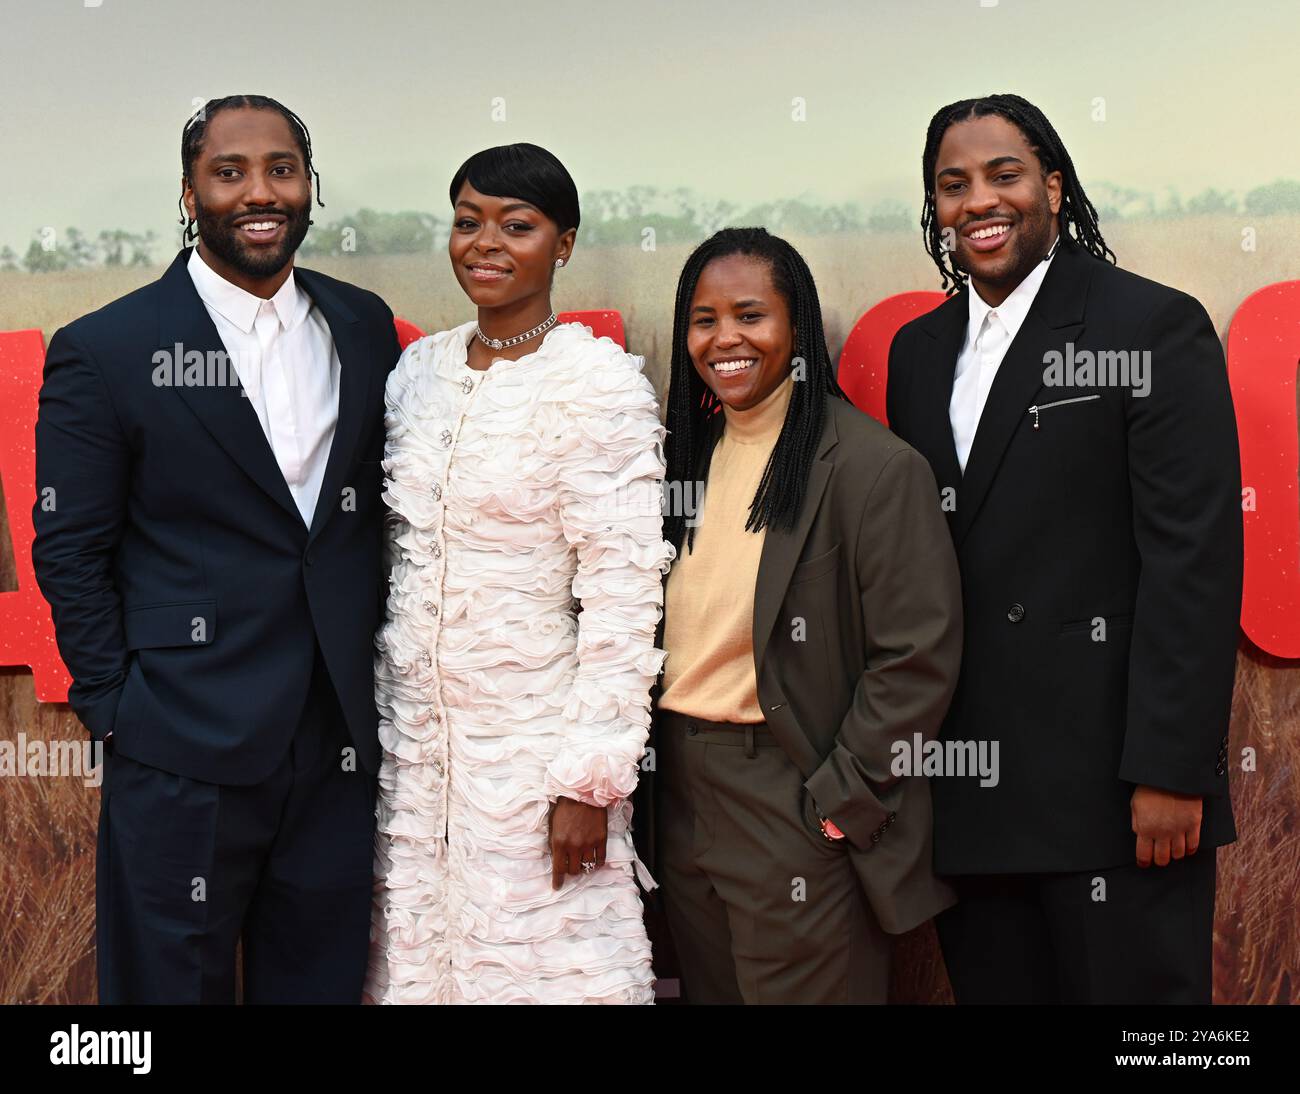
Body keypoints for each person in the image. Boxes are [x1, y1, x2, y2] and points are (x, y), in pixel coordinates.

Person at [32, 95, 400, 1003]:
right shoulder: (109, 348)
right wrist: (117, 710)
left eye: (281, 169)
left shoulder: (360, 326)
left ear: (310, 185)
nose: (259, 192)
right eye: (229, 172)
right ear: (190, 194)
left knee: (316, 986)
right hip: (181, 744)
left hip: (337, 744)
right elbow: (70, 548)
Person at [885, 93, 1243, 1004]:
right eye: (952, 184)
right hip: (974, 795)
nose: (978, 201)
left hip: (1120, 799)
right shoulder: (919, 353)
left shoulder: (1149, 325)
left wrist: (1170, 769)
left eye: (1003, 174)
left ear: (1052, 183)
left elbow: (1191, 562)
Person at [363, 143, 672, 1005]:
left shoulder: (594, 384)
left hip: (536, 748)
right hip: (416, 756)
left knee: (551, 965)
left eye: (517, 225)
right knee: (420, 962)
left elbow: (622, 594)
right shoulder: (417, 374)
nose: (486, 243)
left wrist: (589, 780)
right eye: (468, 222)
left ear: (563, 245)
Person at [644, 227, 962, 1004]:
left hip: (792, 792)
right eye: (703, 319)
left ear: (799, 330)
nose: (724, 339)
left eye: (750, 316)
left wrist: (840, 802)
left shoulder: (872, 469)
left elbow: (917, 654)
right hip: (680, 793)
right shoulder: (678, 461)